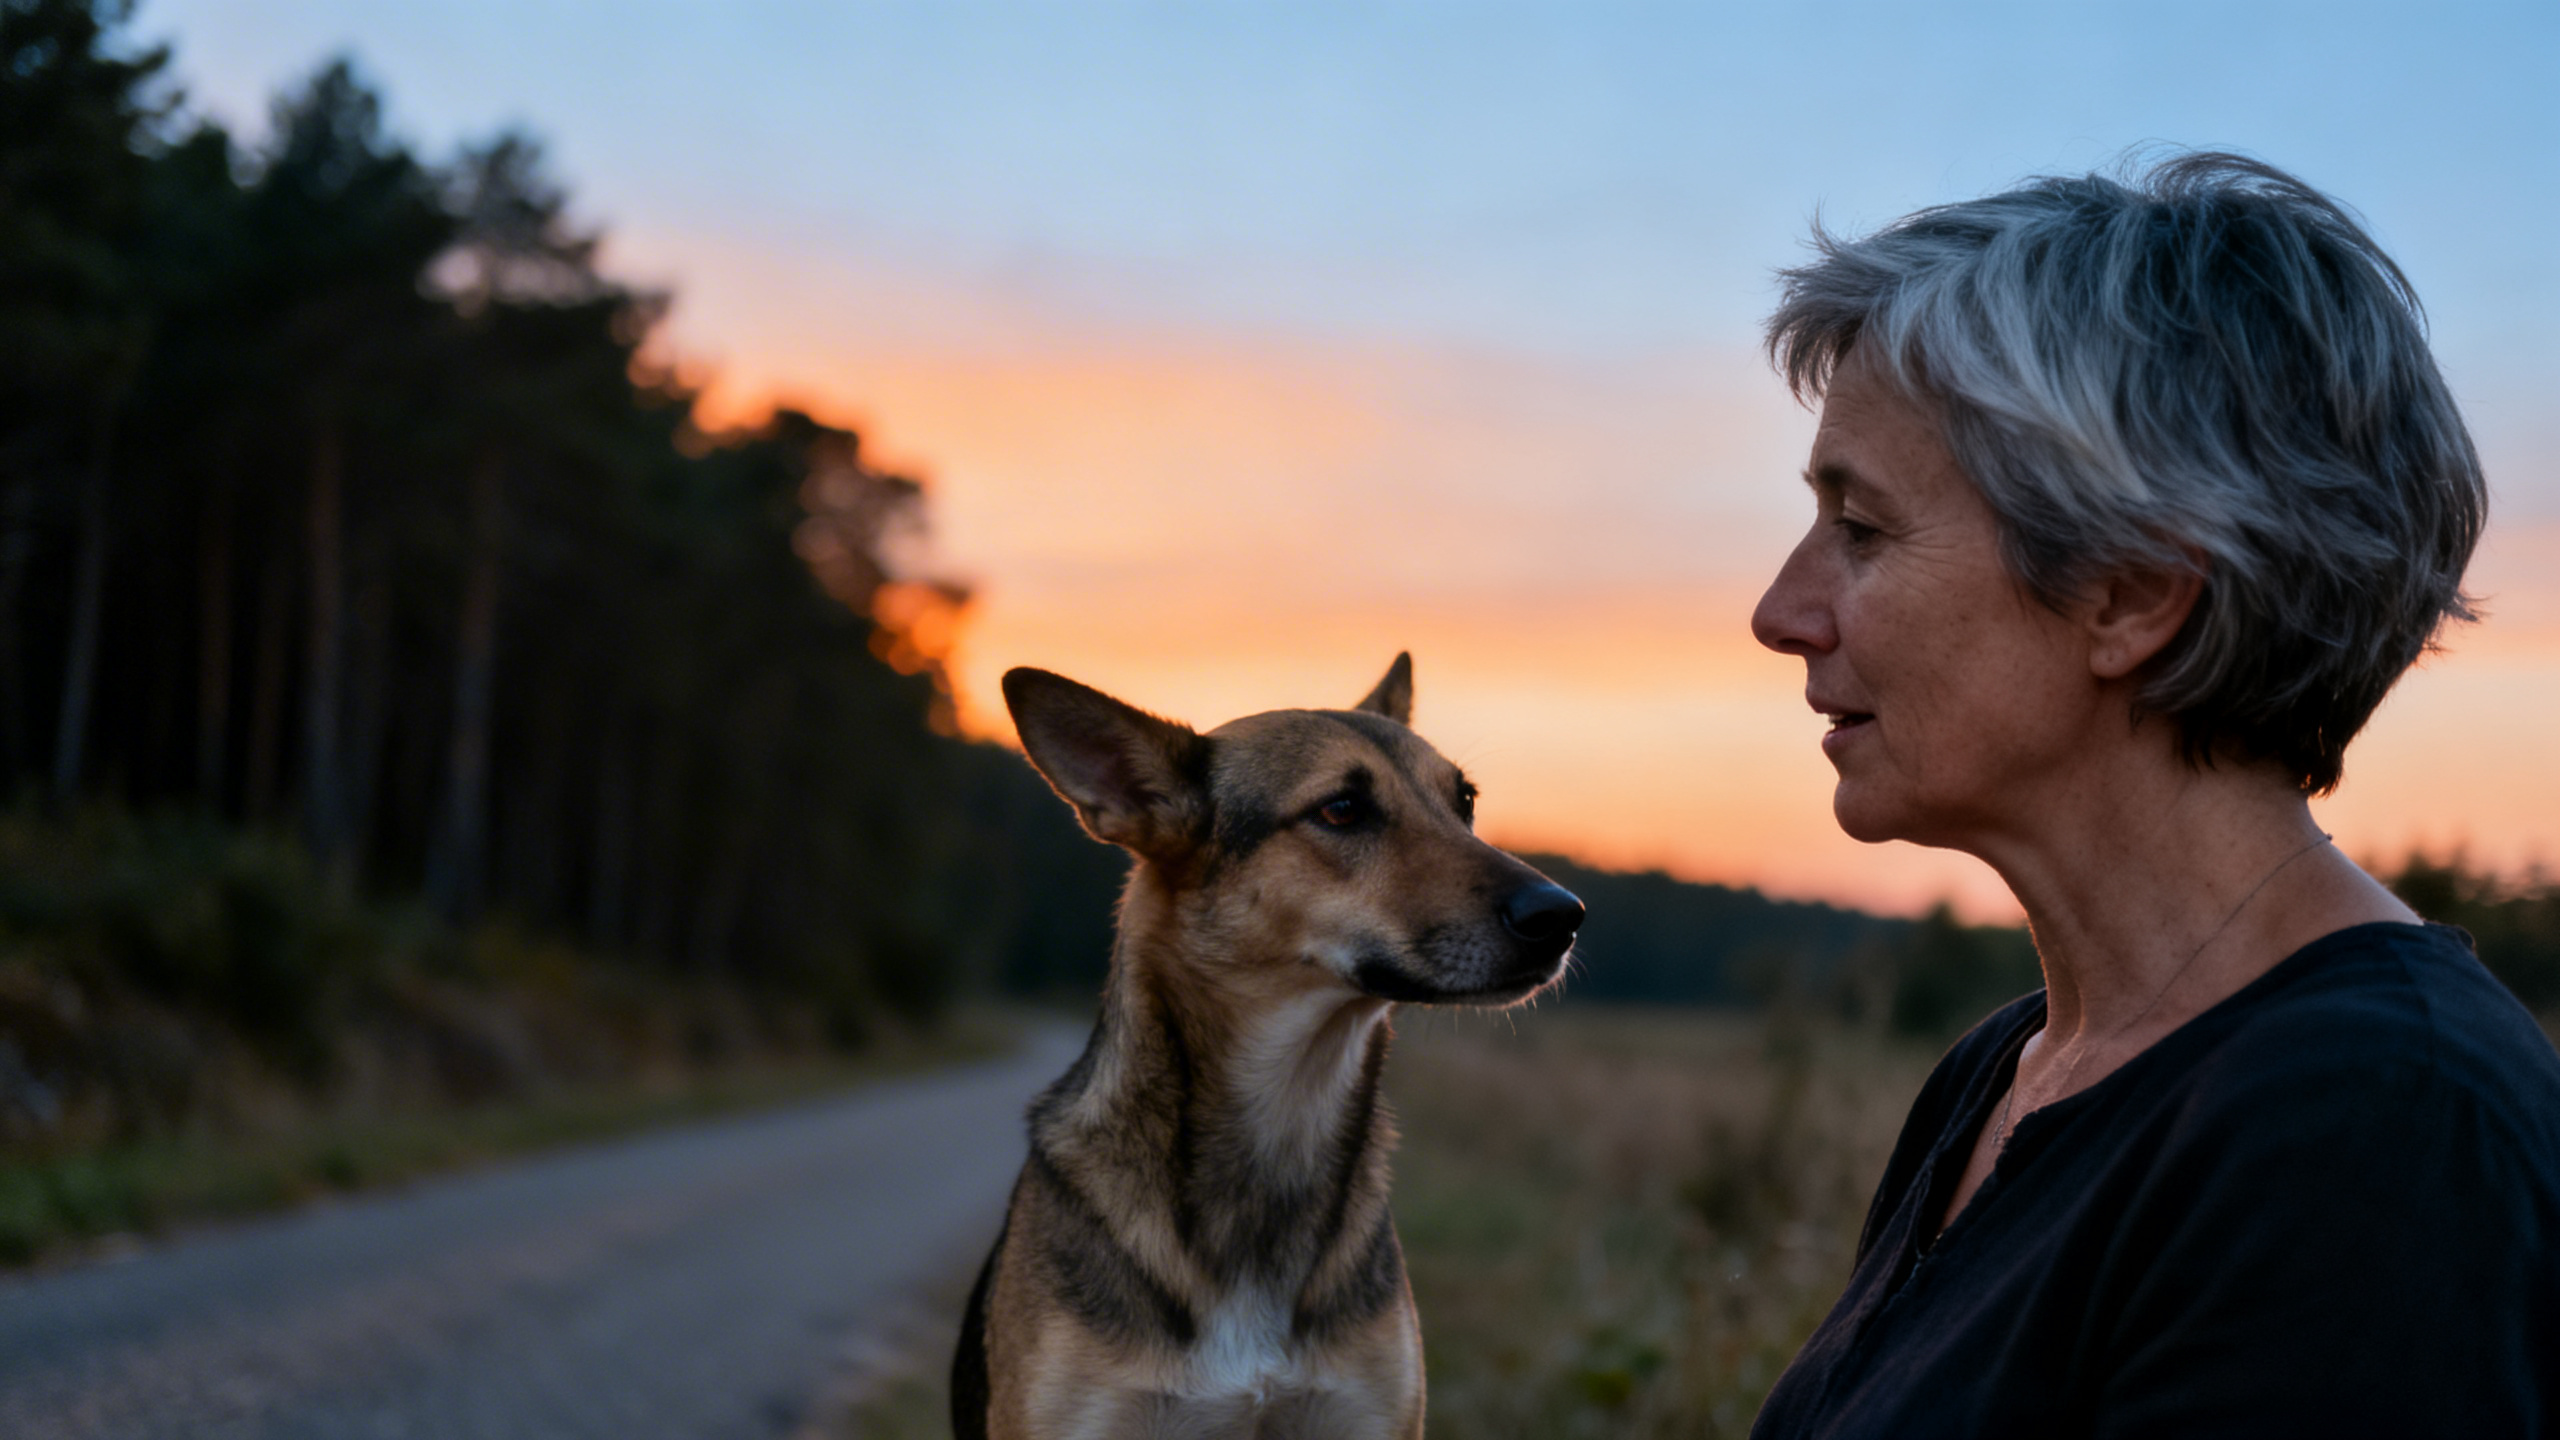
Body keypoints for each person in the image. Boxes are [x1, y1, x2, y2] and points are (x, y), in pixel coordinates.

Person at [1745, 151, 2560, 1438]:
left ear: (2129, 595)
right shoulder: (2006, 1073)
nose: (1780, 614)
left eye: (1863, 530)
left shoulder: (2377, 1126)